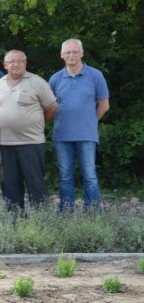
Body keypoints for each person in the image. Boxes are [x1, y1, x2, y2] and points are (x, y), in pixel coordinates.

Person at [0, 50, 58, 211]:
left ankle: (42, 220)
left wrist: (36, 122)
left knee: (35, 183)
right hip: (6, 143)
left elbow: (52, 107)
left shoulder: (37, 82)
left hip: (31, 142)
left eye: (19, 61)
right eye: (11, 61)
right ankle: (15, 219)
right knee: (10, 184)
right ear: (5, 65)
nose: (15, 64)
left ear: (25, 63)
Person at [49, 39, 110, 211]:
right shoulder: (55, 79)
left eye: (75, 52)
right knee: (65, 177)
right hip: (62, 136)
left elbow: (104, 104)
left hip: (87, 135)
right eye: (68, 52)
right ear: (62, 55)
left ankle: (92, 213)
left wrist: (90, 121)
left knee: (90, 176)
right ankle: (66, 212)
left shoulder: (95, 75)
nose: (71, 55)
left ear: (82, 53)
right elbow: (48, 106)